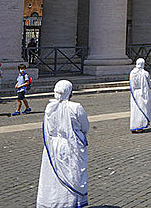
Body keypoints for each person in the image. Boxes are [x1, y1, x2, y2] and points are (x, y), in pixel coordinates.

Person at [36, 80, 88, 208]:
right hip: (71, 146)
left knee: (53, 176)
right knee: (72, 174)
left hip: (53, 146)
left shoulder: (49, 107)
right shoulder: (75, 107)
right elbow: (85, 126)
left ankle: (51, 202)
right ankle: (67, 203)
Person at [129, 58, 151, 133]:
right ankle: (140, 126)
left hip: (135, 93)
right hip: (143, 93)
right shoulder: (145, 73)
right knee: (142, 109)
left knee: (135, 110)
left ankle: (134, 126)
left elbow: (132, 84)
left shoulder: (132, 73)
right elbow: (149, 84)